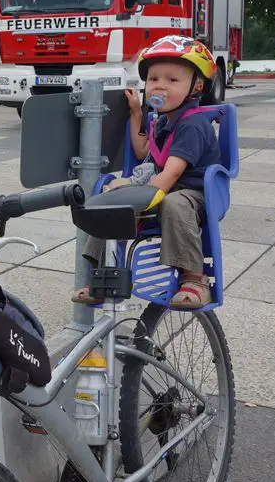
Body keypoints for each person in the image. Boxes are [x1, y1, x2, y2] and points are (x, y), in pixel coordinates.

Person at [77, 36, 221, 310]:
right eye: (154, 79)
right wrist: (136, 115)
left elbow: (171, 174)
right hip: (164, 186)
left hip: (195, 194)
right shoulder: (163, 120)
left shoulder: (193, 125)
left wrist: (139, 197)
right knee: (112, 202)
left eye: (172, 80)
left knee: (172, 202)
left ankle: (195, 279)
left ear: (197, 86)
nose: (160, 85)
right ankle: (102, 275)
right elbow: (144, 151)